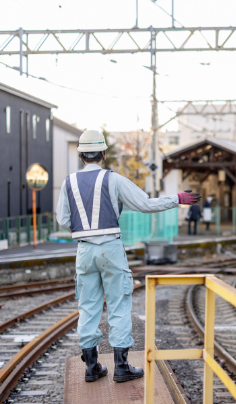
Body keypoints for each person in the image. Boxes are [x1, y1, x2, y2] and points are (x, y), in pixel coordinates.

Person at [56, 130, 200, 384]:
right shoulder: (114, 180)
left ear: (81, 155)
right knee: (119, 307)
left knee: (87, 308)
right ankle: (121, 367)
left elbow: (63, 219)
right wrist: (177, 199)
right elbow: (145, 203)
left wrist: (85, 230)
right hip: (111, 247)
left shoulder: (68, 182)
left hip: (84, 250)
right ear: (103, 154)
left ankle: (92, 367)